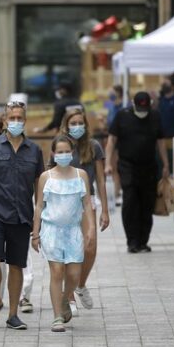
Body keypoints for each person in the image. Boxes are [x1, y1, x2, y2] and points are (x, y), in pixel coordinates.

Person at [0, 101, 44, 330]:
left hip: (21, 216)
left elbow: (39, 185)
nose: (16, 122)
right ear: (4, 121)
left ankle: (13, 314)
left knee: (16, 264)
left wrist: (38, 218)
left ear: (25, 121)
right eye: (12, 118)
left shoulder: (34, 150)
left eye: (20, 118)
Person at [31, 136, 95, 332]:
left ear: (72, 152)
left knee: (74, 274)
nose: (63, 155)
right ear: (53, 154)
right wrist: (35, 233)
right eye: (59, 152)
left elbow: (86, 203)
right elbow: (39, 205)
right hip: (51, 230)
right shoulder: (46, 177)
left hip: (74, 230)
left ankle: (67, 298)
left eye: (67, 151)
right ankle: (57, 316)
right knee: (57, 272)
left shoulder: (80, 175)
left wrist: (90, 227)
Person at [57, 108, 109, 314]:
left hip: (88, 200)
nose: (77, 127)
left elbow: (101, 179)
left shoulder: (94, 146)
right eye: (73, 123)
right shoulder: (61, 145)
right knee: (70, 249)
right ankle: (68, 296)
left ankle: (80, 284)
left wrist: (105, 210)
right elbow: (50, 173)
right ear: (66, 124)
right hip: (65, 201)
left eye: (80, 123)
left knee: (90, 247)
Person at [105, 92, 169, 253]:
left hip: (149, 166)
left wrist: (166, 164)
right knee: (131, 201)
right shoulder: (122, 116)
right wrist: (107, 163)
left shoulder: (155, 116)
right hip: (128, 166)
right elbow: (111, 141)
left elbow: (161, 142)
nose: (143, 110)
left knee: (147, 204)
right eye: (140, 107)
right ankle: (132, 241)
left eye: (145, 107)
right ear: (133, 104)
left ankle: (143, 241)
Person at [106, 85, 124, 207]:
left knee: (117, 168)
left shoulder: (124, 106)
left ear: (118, 93)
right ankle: (116, 193)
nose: (109, 94)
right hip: (111, 137)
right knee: (112, 167)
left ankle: (118, 193)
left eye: (111, 92)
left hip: (120, 140)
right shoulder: (111, 106)